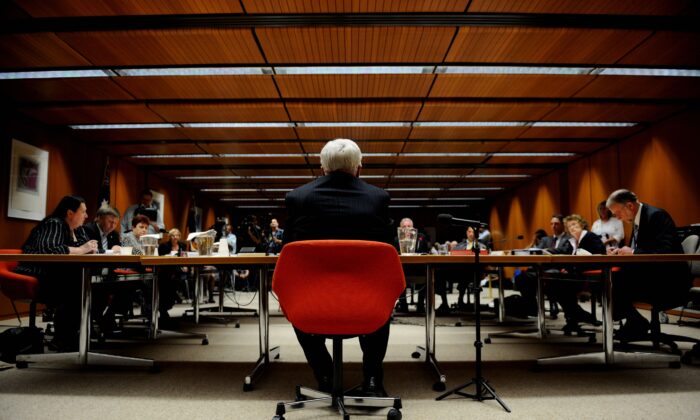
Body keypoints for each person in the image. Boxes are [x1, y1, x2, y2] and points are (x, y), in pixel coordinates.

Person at [283, 138, 393, 397]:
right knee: (381, 298)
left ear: (322, 168)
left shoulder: (297, 198)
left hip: (312, 301)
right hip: (366, 301)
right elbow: (390, 253)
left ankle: (325, 375)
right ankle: (373, 380)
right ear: (359, 168)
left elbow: (288, 254)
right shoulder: (379, 198)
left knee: (297, 302)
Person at [14, 195, 98, 351]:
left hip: (61, 273)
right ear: (70, 213)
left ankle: (77, 334)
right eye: (83, 212)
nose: (87, 216)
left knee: (91, 282)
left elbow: (87, 248)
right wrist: (81, 249)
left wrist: (89, 247)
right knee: (77, 283)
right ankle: (64, 338)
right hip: (38, 272)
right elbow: (50, 251)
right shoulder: (54, 223)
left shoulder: (77, 229)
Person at [606, 189, 692, 340]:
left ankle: (636, 322)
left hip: (669, 280)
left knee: (613, 282)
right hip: (651, 275)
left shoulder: (656, 216)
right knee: (609, 280)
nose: (617, 217)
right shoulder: (638, 219)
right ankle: (635, 321)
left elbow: (667, 251)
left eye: (617, 212)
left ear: (630, 206)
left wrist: (632, 252)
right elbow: (642, 250)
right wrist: (621, 252)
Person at [548, 214, 606, 334]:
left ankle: (574, 317)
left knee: (559, 284)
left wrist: (572, 268)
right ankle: (576, 315)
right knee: (552, 283)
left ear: (582, 225)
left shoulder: (590, 237)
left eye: (574, 224)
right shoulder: (572, 242)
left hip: (590, 276)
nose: (572, 228)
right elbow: (568, 258)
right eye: (569, 226)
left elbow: (598, 256)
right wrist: (566, 268)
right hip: (576, 276)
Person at [393, 217, 430, 313]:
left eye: (409, 226)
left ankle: (421, 304)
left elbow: (426, 252)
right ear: (400, 228)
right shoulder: (396, 239)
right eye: (404, 226)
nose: (407, 229)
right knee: (397, 276)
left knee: (426, 274)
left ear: (413, 227)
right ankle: (403, 304)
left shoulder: (421, 237)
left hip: (418, 267)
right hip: (403, 268)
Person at [452, 226, 488, 310]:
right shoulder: (459, 245)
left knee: (472, 273)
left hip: (476, 271)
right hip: (462, 270)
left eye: (473, 232)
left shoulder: (482, 246)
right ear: (466, 233)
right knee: (464, 274)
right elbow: (454, 253)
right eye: (469, 232)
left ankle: (473, 300)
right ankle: (461, 298)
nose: (471, 234)